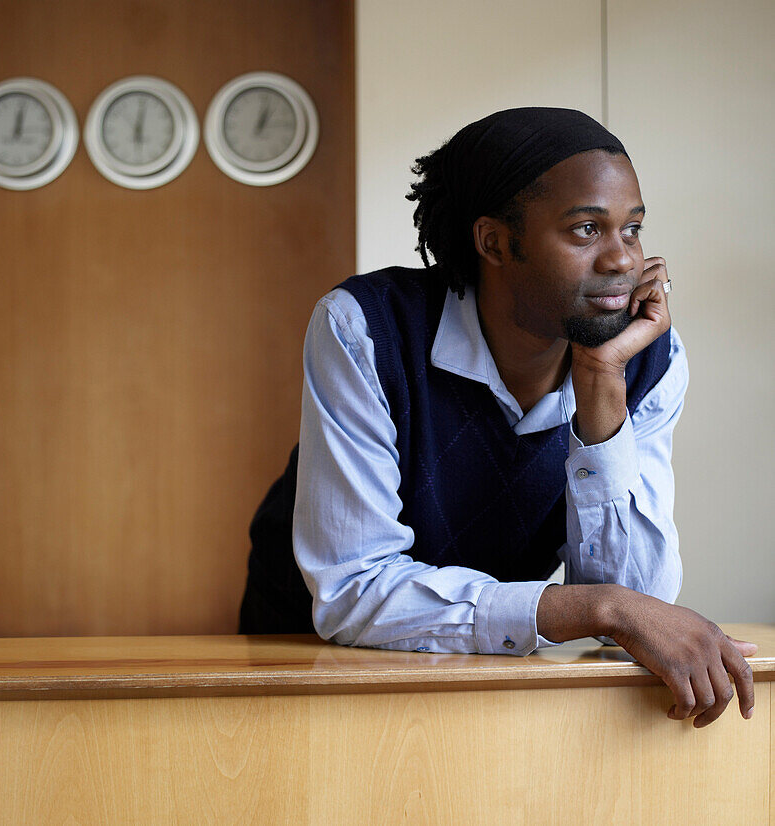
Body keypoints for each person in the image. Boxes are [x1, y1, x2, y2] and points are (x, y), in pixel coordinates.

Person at [239, 107, 755, 728]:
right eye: (587, 229)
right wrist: (602, 609)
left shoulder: (642, 361)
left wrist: (600, 388)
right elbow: (354, 591)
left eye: (633, 229)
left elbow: (635, 610)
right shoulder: (368, 330)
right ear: (495, 242)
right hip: (314, 660)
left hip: (492, 665)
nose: (622, 260)